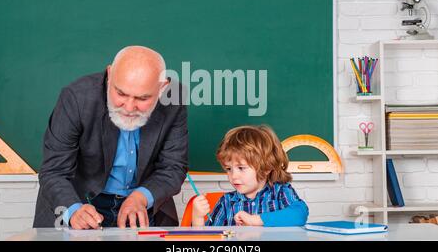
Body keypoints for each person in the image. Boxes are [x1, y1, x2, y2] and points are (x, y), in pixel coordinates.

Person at [33, 46, 188, 229]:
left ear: (163, 88)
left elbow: (173, 167)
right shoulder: (76, 97)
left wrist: (141, 197)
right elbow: (53, 171)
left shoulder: (174, 99)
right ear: (110, 75)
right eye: (121, 93)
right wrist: (74, 210)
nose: (129, 108)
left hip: (142, 207)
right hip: (80, 203)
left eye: (142, 98)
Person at [192, 125, 308, 226]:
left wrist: (255, 220)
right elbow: (209, 237)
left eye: (241, 168)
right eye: (228, 169)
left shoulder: (280, 192)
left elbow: (300, 214)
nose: (233, 176)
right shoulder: (226, 202)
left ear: (266, 167)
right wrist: (197, 218)